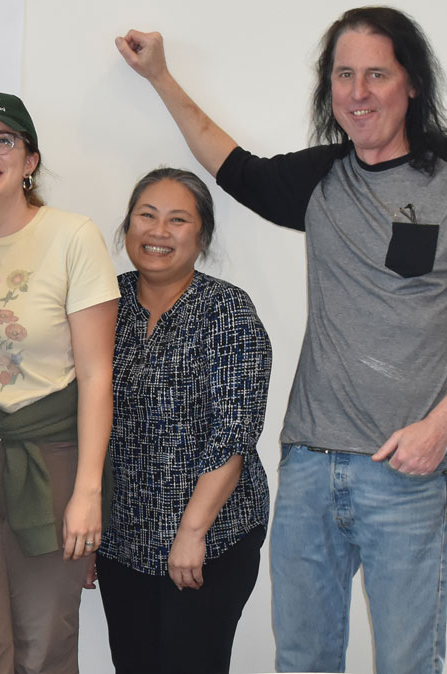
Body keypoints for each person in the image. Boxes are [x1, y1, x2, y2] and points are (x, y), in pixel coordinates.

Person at [117, 7, 447, 673]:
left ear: (412, 84)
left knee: (407, 664)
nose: (359, 92)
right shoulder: (323, 178)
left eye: (377, 73)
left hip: (410, 474)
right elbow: (233, 166)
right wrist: (162, 76)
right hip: (310, 471)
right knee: (304, 661)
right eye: (345, 74)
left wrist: (441, 426)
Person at [0, 91, 119, 674]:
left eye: (3, 140)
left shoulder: (73, 236)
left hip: (51, 464)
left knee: (44, 647)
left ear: (30, 159)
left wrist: (89, 491)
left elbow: (96, 373)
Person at [94, 168, 271, 674]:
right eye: (146, 216)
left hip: (212, 536)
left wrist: (193, 531)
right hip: (123, 538)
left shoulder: (228, 312)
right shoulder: (107, 302)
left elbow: (232, 435)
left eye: (177, 220)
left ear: (202, 236)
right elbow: (84, 416)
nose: (157, 231)